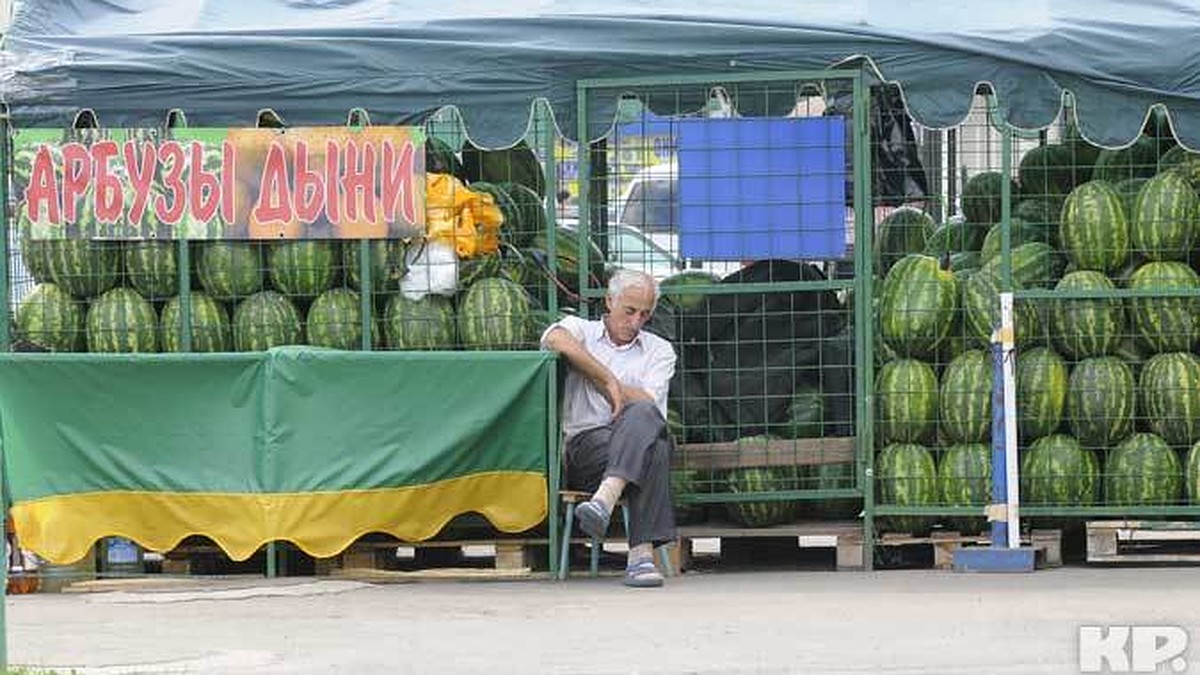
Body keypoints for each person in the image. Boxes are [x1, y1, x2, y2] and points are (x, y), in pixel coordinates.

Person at [540, 269, 677, 587]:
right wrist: (606, 379)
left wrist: (604, 381)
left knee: (646, 420)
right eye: (629, 311)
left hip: (634, 443)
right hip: (588, 448)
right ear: (609, 301)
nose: (636, 322)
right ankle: (640, 557)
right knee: (653, 450)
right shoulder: (581, 330)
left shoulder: (660, 350)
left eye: (645, 314)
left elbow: (648, 402)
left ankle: (605, 499)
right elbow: (553, 338)